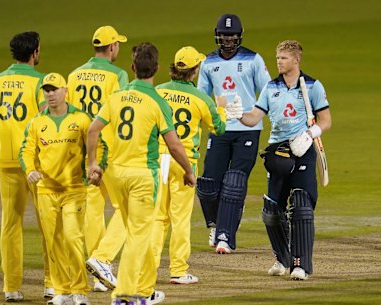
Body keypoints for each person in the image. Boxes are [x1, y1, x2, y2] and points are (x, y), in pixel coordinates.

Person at [86, 43, 196, 305]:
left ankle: (145, 290)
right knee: (139, 236)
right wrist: (189, 171)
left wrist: (92, 163)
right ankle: (125, 295)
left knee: (133, 228)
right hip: (143, 178)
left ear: (133, 68)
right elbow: (174, 145)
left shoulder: (117, 97)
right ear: (156, 68)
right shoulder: (157, 101)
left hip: (116, 174)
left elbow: (93, 130)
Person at [229, 40, 331, 280]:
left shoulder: (312, 86)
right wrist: (238, 116)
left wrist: (310, 134)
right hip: (277, 152)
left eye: (283, 58)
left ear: (296, 60)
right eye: (277, 57)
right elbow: (254, 118)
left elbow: (325, 120)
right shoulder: (270, 87)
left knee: (301, 206)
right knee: (272, 209)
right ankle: (281, 259)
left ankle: (300, 265)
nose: (279, 61)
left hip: (302, 149)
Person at [19, 72, 104, 305]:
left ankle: (80, 290)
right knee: (53, 241)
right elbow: (25, 150)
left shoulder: (81, 119)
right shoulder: (38, 122)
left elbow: (99, 144)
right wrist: (29, 170)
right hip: (46, 190)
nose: (50, 94)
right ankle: (62, 291)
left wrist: (95, 167)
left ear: (65, 91)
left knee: (73, 238)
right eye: (46, 90)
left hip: (75, 189)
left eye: (54, 89)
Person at [0, 31, 54, 302]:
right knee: (48, 223)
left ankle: (11, 287)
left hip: (6, 159)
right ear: (35, 52)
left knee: (10, 224)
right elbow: (45, 122)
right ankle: (52, 284)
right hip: (36, 162)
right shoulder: (40, 82)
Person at [196, 13, 271, 254]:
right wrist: (209, 121)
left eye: (232, 36)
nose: (228, 40)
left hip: (247, 129)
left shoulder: (253, 59)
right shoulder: (208, 63)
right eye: (224, 36)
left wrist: (254, 114)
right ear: (217, 36)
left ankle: (225, 237)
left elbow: (268, 91)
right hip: (220, 128)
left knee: (234, 183)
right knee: (208, 184)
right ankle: (216, 224)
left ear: (239, 36)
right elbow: (201, 98)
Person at [152, 46, 227, 285]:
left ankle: (148, 269)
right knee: (180, 219)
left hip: (159, 160)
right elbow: (219, 128)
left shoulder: (157, 92)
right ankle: (178, 270)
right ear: (195, 71)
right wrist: (223, 108)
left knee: (157, 218)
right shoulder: (201, 99)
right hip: (184, 163)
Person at [67, 25, 129, 293]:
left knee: (93, 212)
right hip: (110, 149)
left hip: (83, 150)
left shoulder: (74, 74)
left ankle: (97, 274)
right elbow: (124, 109)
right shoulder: (118, 75)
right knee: (128, 207)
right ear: (112, 46)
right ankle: (103, 260)